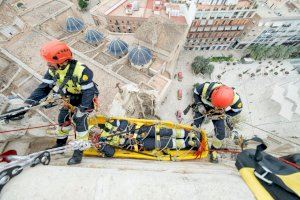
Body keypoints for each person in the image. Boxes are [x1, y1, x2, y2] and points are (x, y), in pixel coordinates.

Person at [23, 40, 99, 165]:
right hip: (70, 97)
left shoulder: (82, 71)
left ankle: (78, 151)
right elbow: (44, 88)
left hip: (85, 98)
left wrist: (83, 109)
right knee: (63, 120)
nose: (48, 64)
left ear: (62, 61)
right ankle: (60, 145)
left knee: (80, 121)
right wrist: (28, 103)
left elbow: (89, 92)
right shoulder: (53, 70)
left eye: (51, 62)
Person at [192, 82, 242, 162]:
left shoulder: (235, 99)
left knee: (221, 135)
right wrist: (199, 104)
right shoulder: (205, 87)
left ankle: (213, 150)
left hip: (219, 112)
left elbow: (237, 110)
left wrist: (225, 114)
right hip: (204, 106)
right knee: (195, 127)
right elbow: (196, 93)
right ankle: (194, 141)